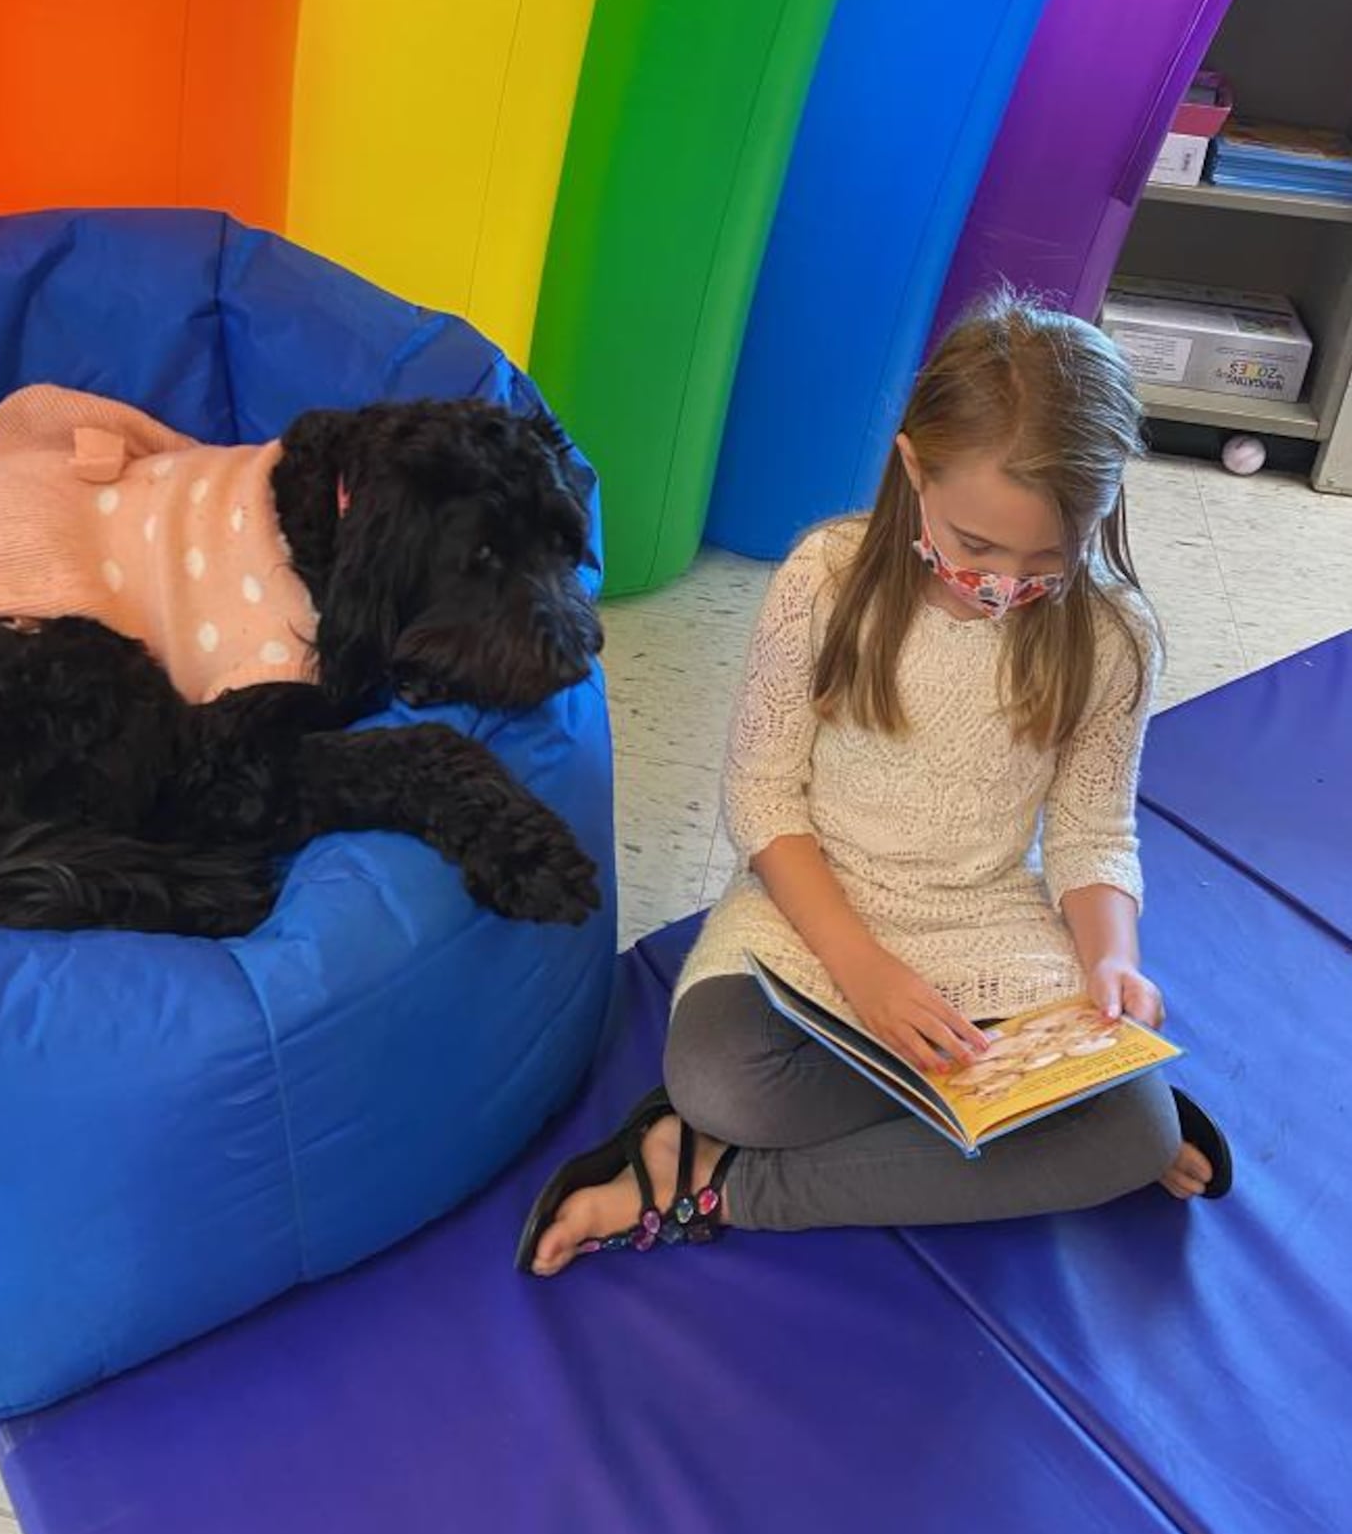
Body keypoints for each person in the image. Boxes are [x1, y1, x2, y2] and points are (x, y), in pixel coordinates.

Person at [518, 292, 1231, 1277]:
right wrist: (863, 972)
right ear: (911, 469)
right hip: (816, 909)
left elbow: (1090, 831)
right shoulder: (826, 577)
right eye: (976, 548)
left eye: (1048, 561)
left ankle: (720, 1187)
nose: (1003, 588)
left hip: (986, 923)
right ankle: (1027, 1114)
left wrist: (1109, 959)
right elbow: (763, 798)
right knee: (723, 1084)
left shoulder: (1112, 637)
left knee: (1135, 1138)